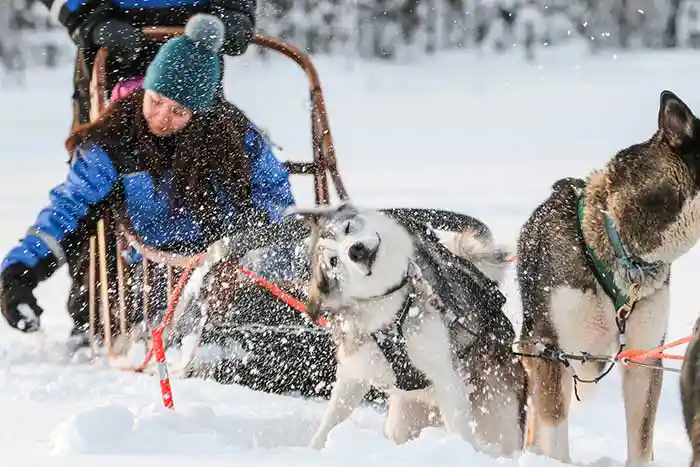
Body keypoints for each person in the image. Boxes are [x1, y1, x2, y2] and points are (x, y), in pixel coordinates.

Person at [0, 14, 295, 348]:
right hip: (145, 274)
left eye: (179, 112)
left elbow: (275, 200)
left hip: (226, 270)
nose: (161, 118)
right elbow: (70, 207)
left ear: (199, 114)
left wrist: (242, 248)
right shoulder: (115, 139)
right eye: (155, 101)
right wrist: (19, 274)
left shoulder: (232, 136)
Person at [37, 0, 256, 126]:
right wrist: (87, 17)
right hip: (109, 42)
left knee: (205, 151)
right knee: (102, 156)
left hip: (197, 43)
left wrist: (235, 9)